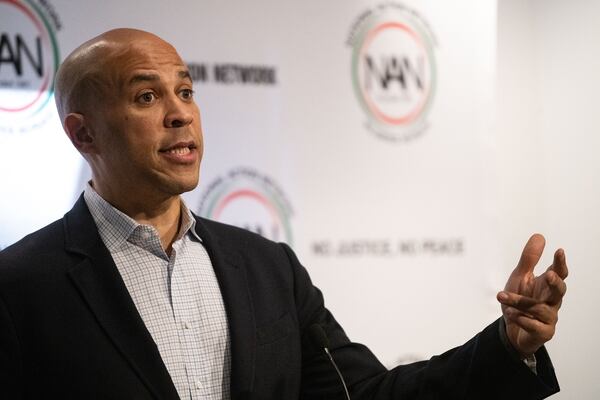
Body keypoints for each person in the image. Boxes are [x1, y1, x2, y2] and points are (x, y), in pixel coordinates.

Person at [0, 28, 568, 399]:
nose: (181, 115)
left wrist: (506, 347)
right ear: (83, 133)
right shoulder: (19, 286)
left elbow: (364, 395)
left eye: (186, 91)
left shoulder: (267, 267)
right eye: (147, 97)